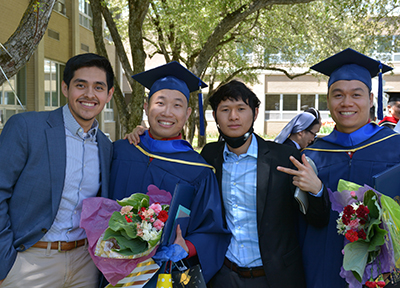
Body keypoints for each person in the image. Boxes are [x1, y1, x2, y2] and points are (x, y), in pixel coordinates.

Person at [281, 48, 400, 288]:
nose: (347, 103)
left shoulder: (394, 147)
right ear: (327, 100)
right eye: (338, 95)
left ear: (370, 99)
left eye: (356, 94)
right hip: (321, 267)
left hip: (381, 273)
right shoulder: (311, 156)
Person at [109, 61, 231, 285]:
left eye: (177, 105)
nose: (167, 112)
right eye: (160, 103)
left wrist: (187, 247)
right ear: (146, 107)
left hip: (164, 276)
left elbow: (212, 231)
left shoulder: (199, 170)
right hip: (110, 268)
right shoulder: (120, 151)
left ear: (188, 113)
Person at [200, 80, 330, 288]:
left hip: (275, 277)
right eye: (225, 110)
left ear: (255, 112)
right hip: (224, 275)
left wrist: (316, 190)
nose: (233, 116)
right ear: (215, 115)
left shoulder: (284, 158)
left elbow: (318, 218)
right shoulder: (210, 155)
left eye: (241, 109)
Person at [0, 53, 114, 287]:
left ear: (109, 95)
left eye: (99, 87)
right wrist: (5, 264)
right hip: (30, 263)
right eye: (80, 85)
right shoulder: (27, 128)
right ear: (65, 88)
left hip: (85, 265)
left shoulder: (106, 146)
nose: (89, 95)